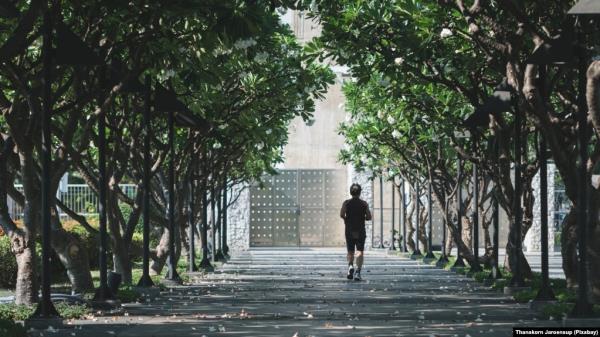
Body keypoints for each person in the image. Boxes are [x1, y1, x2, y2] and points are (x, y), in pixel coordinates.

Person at [339, 183, 372, 281]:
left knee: (350, 250)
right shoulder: (364, 204)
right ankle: (358, 272)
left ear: (350, 192)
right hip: (360, 230)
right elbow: (369, 217)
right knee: (360, 251)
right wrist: (364, 217)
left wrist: (346, 219)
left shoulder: (346, 203)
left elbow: (341, 214)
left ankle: (350, 267)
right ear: (360, 192)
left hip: (349, 229)